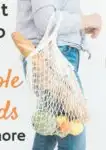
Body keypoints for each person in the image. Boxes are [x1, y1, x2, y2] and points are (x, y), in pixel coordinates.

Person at [15, 0, 102, 150]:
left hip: (54, 53)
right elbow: (46, 20)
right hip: (52, 55)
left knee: (50, 127)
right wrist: (85, 20)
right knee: (73, 127)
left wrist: (80, 26)